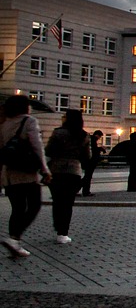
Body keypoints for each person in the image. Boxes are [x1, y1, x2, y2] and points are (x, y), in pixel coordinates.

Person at [1, 96, 50, 258]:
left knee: (17, 209)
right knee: (34, 206)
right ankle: (14, 239)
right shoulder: (29, 121)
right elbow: (37, 147)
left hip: (8, 174)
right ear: (25, 107)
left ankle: (15, 243)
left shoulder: (4, 123)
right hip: (27, 172)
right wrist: (45, 169)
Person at [45, 109, 90, 245]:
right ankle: (63, 233)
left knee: (57, 201)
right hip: (73, 171)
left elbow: (48, 151)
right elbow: (86, 157)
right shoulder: (84, 135)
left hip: (56, 171)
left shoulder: (58, 133)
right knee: (68, 203)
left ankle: (58, 225)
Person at [80, 130, 103, 196]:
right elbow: (93, 150)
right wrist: (100, 149)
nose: (99, 138)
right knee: (88, 177)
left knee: (87, 176)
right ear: (97, 135)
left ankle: (85, 191)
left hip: (87, 161)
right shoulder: (93, 140)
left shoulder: (89, 139)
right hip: (90, 161)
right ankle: (84, 191)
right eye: (100, 137)